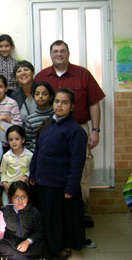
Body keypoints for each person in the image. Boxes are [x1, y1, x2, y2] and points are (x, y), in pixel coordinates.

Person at [34, 40, 105, 228]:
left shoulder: (83, 74)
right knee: (53, 171)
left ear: (68, 53)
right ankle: (58, 213)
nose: (59, 54)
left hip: (79, 128)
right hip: (51, 129)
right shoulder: (42, 76)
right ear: (50, 54)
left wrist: (95, 130)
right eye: (55, 51)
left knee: (80, 170)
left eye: (62, 51)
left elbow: (94, 103)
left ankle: (83, 212)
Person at [29, 88, 87, 259]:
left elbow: (77, 163)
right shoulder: (49, 124)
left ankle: (60, 248)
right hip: (42, 182)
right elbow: (38, 151)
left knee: (58, 221)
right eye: (57, 101)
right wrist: (33, 173)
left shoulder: (75, 131)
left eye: (64, 102)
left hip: (60, 185)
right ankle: (49, 245)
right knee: (46, 218)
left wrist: (71, 187)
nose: (59, 105)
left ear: (72, 106)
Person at [0, 181, 49, 260]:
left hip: (29, 243)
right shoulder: (5, 212)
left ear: (28, 197)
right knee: (1, 246)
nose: (20, 201)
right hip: (12, 243)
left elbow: (39, 231)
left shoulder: (34, 212)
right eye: (16, 197)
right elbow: (2, 232)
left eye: (24, 197)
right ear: (10, 198)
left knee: (43, 247)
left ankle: (16, 258)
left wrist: (28, 242)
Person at [0, 125, 33, 206]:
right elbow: (2, 172)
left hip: (23, 188)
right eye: (11, 140)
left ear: (23, 140)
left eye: (17, 139)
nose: (14, 142)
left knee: (23, 208)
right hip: (9, 188)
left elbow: (31, 170)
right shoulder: (6, 156)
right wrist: (4, 183)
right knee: (6, 207)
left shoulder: (29, 155)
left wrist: (26, 176)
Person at [24, 82, 54, 152]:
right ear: (34, 96)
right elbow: (28, 142)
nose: (40, 96)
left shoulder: (55, 115)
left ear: (50, 97)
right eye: (37, 94)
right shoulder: (30, 119)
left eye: (44, 94)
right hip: (35, 154)